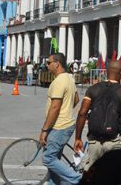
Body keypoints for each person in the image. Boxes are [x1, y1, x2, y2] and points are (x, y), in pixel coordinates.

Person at [75, 60, 121, 172]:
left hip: (94, 141)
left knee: (91, 176)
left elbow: (82, 113)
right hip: (113, 142)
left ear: (106, 72)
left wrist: (78, 138)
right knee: (112, 175)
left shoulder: (93, 89)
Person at [39, 53, 81, 185]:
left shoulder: (58, 82)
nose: (47, 65)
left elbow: (55, 107)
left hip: (59, 126)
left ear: (57, 64)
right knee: (55, 159)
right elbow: (76, 99)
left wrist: (45, 129)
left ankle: (77, 179)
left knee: (48, 158)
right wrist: (67, 108)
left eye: (49, 62)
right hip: (66, 123)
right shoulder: (69, 78)